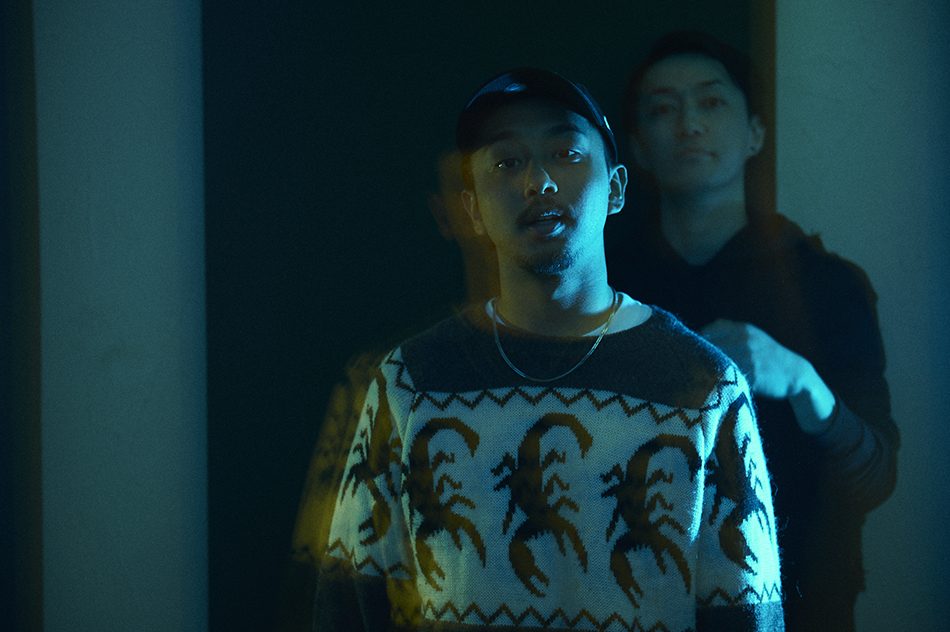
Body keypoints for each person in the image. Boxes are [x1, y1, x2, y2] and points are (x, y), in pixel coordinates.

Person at [314, 67, 784, 631]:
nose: (538, 181)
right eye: (506, 162)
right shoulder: (410, 380)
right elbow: (348, 606)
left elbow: (748, 613)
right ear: (472, 209)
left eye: (566, 153)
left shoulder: (705, 387)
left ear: (615, 189)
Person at [610, 31, 900, 632]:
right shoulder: (607, 285)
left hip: (800, 606)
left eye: (712, 101)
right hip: (630, 600)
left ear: (755, 134)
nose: (689, 123)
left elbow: (875, 479)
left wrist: (800, 379)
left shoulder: (826, 284)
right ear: (637, 146)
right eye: (663, 109)